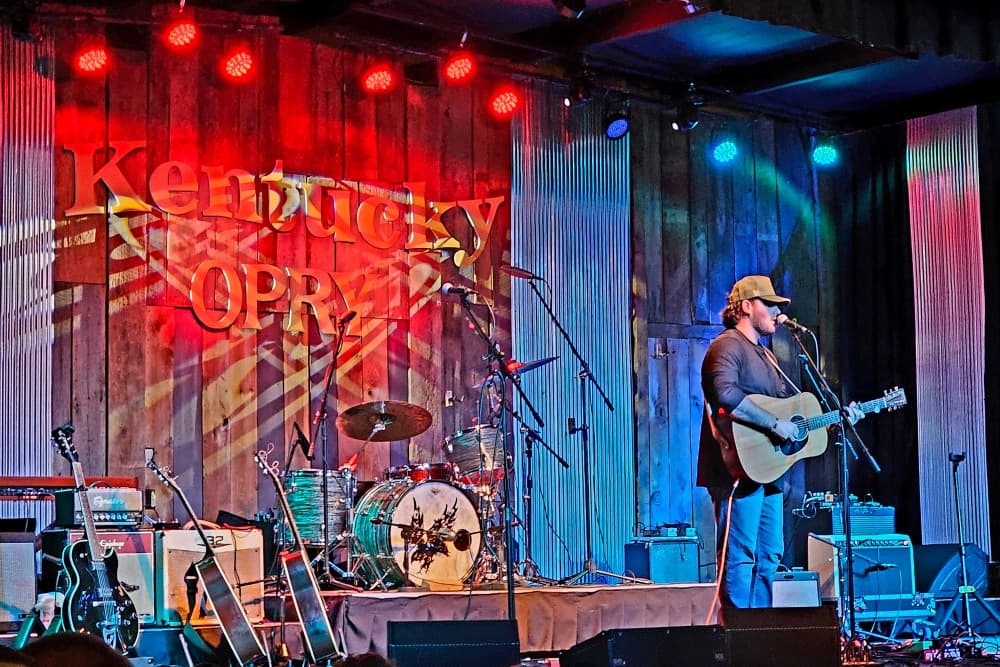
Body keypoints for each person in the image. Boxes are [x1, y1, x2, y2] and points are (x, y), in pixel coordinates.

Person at [697, 275, 862, 612]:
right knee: (740, 555)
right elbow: (724, 395)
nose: (776, 312)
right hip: (738, 471)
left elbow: (790, 417)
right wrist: (774, 424)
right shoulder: (727, 346)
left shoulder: (767, 356)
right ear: (746, 307)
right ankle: (737, 633)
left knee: (769, 554)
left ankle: (760, 628)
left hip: (769, 473)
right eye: (769, 304)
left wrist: (835, 420)